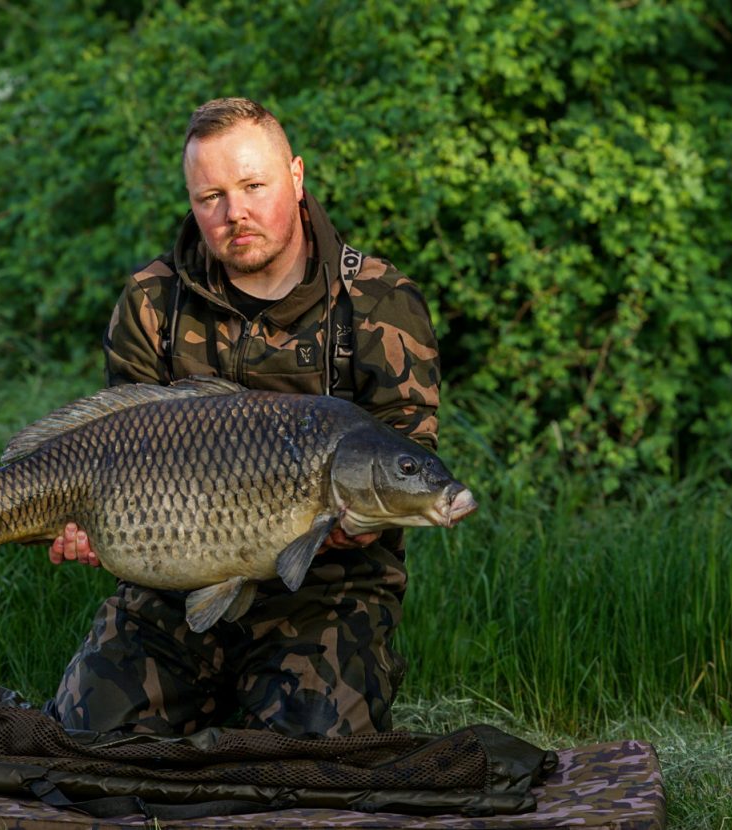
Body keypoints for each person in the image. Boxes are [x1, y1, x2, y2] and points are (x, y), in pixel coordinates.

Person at [40, 98, 441, 739]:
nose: (236, 214)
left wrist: (354, 521)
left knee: (312, 748)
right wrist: (87, 524)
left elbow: (405, 459)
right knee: (89, 733)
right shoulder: (152, 301)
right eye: (211, 197)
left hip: (326, 591)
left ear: (298, 177)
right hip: (174, 581)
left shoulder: (379, 302)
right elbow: (111, 450)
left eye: (254, 185)